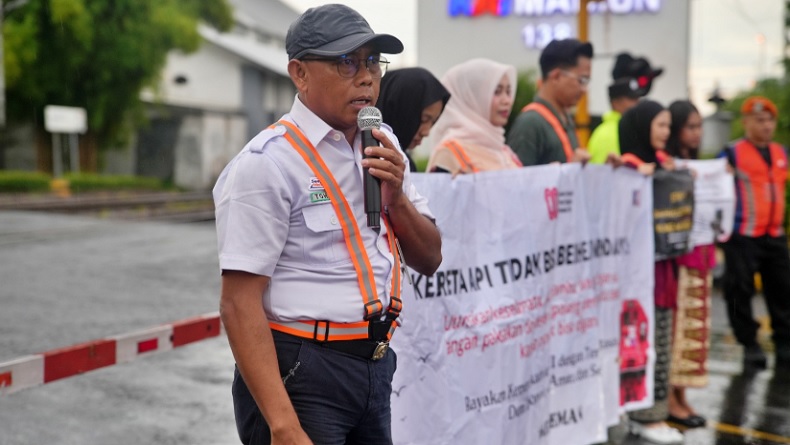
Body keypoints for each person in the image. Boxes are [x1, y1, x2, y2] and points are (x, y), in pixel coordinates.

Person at [212, 4, 442, 444]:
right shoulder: (267, 164)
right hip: (303, 372)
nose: (366, 77)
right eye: (346, 62)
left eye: (372, 62)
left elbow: (430, 258)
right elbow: (238, 304)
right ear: (299, 73)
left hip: (375, 366)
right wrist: (283, 426)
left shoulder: (384, 144)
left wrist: (397, 200)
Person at [619, 100, 685, 445]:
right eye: (660, 125)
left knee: (662, 337)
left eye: (668, 125)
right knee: (643, 340)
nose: (666, 132)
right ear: (641, 127)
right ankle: (645, 415)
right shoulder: (628, 167)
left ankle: (654, 412)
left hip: (664, 268)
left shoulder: (662, 163)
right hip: (640, 273)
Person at [719, 96, 790, 371]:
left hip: (773, 234)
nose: (766, 126)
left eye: (770, 120)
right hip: (743, 235)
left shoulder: (781, 153)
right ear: (746, 122)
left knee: (782, 289)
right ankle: (749, 343)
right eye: (760, 120)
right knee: (740, 290)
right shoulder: (732, 153)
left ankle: (784, 341)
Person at [664, 100, 709, 429]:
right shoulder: (667, 166)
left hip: (700, 251)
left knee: (694, 325)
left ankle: (681, 393)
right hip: (679, 255)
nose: (696, 133)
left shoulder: (699, 166)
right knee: (677, 327)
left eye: (699, 127)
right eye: (690, 127)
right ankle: (670, 396)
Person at [426, 58, 522, 174]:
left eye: (508, 92)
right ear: (473, 98)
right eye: (497, 91)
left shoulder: (504, 152)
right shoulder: (449, 153)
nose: (507, 101)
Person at [506, 38, 593, 166]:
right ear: (556, 76)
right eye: (581, 80)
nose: (584, 89)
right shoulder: (530, 124)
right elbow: (519, 177)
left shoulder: (565, 119)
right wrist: (569, 171)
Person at [588, 52, 663, 164]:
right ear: (616, 103)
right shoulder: (607, 134)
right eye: (631, 99)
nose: (636, 103)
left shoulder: (630, 128)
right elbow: (602, 171)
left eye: (637, 98)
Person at [375, 67, 451, 172]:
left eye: (433, 122)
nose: (426, 132)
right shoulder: (366, 156)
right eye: (424, 119)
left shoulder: (404, 164)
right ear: (400, 108)